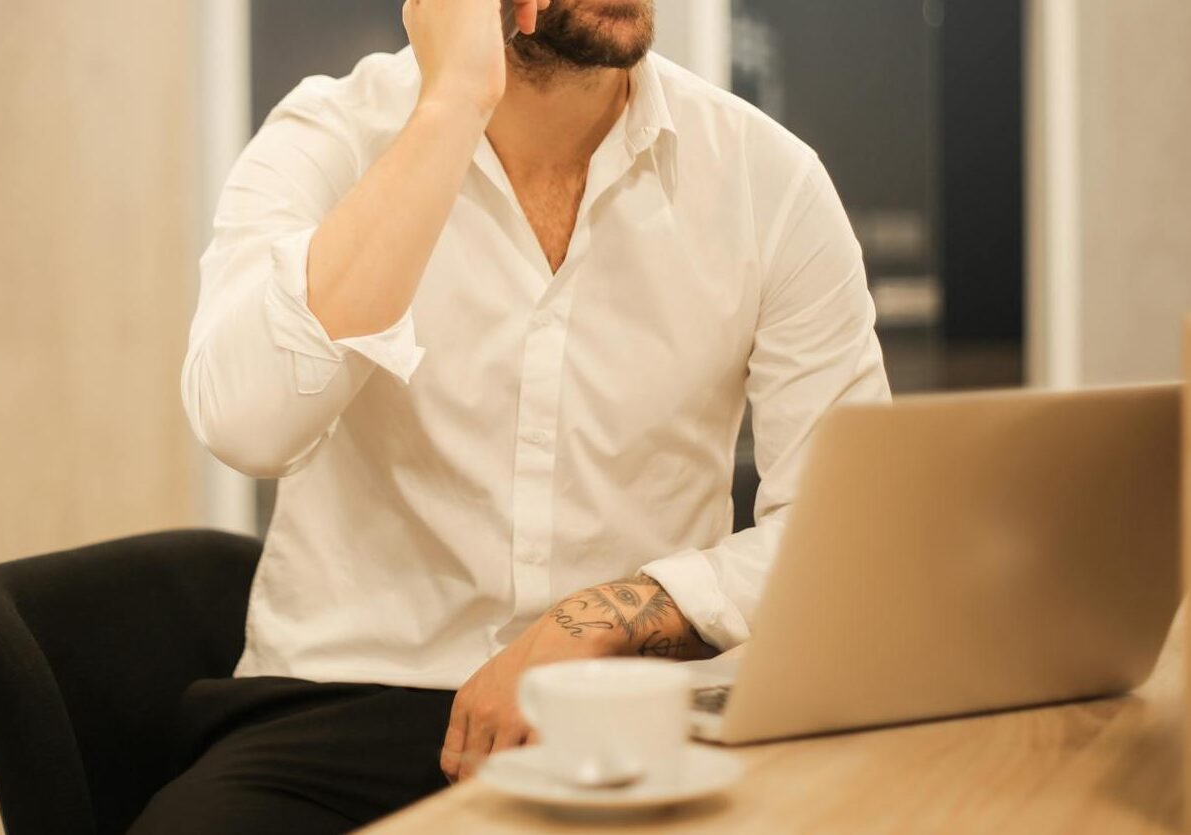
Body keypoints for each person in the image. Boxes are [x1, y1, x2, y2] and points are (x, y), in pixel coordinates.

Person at [132, 0, 890, 831]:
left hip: (634, 706)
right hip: (341, 705)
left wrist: (602, 618)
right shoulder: (331, 134)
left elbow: (840, 530)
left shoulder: (765, 179)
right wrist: (452, 102)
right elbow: (248, 426)